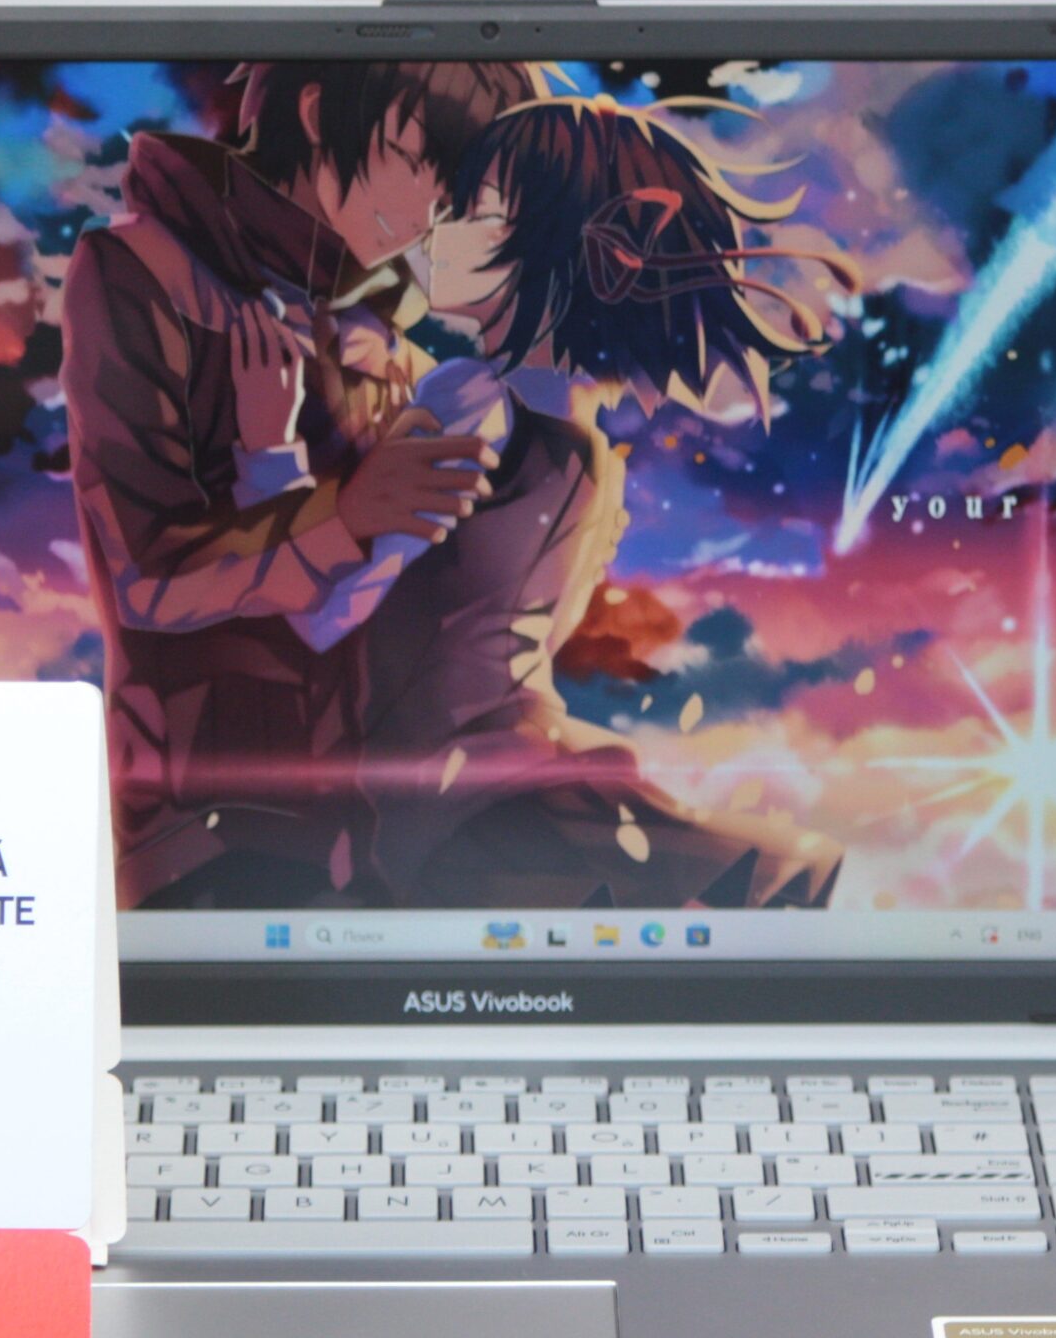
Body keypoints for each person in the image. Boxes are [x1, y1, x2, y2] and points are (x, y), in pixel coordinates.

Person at [230, 92, 860, 908]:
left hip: (453, 805)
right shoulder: (589, 452)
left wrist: (267, 446)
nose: (441, 225)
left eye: (479, 213)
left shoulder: (468, 400)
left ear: (570, 256)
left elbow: (323, 612)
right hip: (514, 779)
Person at [58, 61, 542, 908]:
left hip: (372, 836)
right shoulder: (144, 275)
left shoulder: (392, 344)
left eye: (461, 188)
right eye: (422, 162)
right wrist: (344, 519)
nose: (435, 210)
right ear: (318, 113)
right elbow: (148, 575)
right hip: (203, 827)